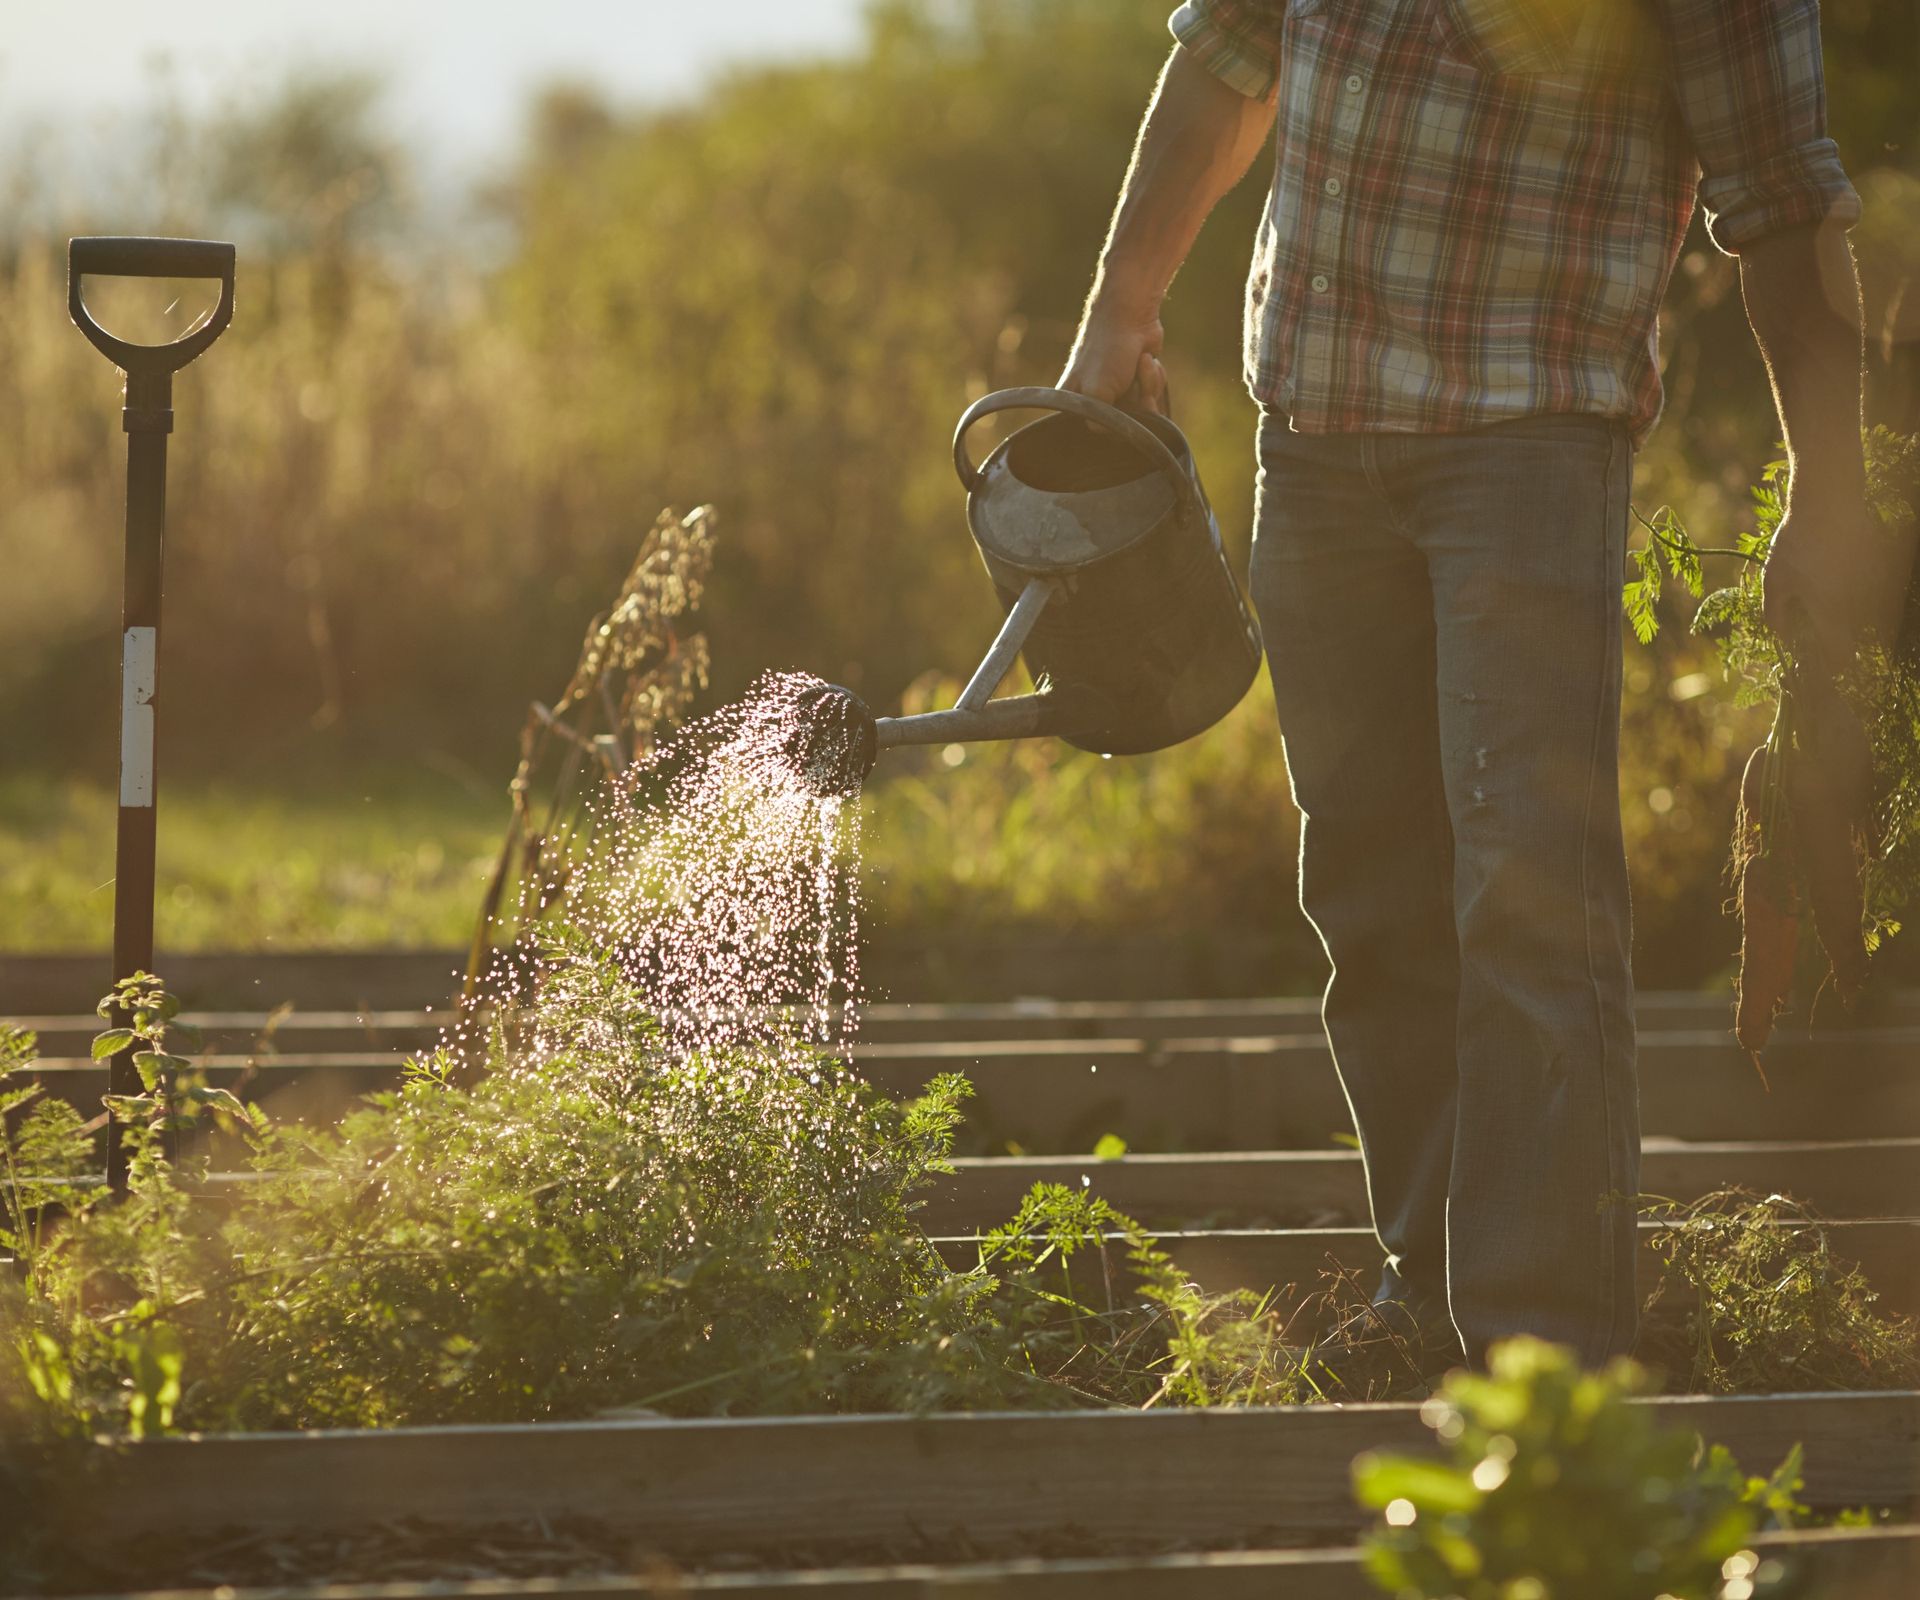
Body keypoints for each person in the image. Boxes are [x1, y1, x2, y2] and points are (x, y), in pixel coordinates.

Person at [1060, 0, 1867, 1373]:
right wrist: (1116, 318)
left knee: (1527, 896)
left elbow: (1781, 197)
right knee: (1372, 899)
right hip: (1314, 431)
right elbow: (1227, 60)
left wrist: (1830, 486)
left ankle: (1545, 1357)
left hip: (1529, 437)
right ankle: (1428, 1294)